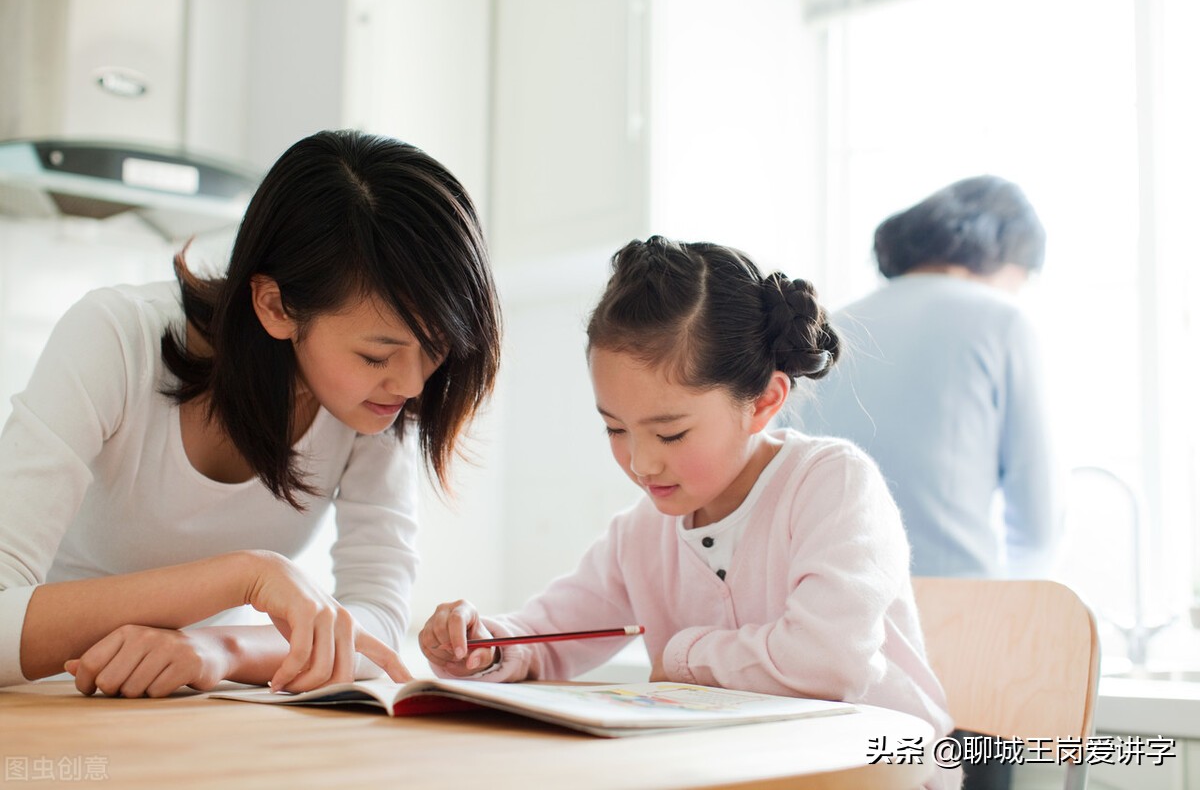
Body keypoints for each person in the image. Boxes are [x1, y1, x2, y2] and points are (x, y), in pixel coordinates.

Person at [420, 236, 959, 790]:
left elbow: (827, 663)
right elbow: (547, 635)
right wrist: (484, 646)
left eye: (671, 433)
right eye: (615, 429)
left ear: (764, 402)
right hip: (742, 773)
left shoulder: (832, 484)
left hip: (881, 773)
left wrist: (683, 657)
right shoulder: (642, 531)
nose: (641, 462)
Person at [0, 129, 502, 699]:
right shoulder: (116, 337)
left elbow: (377, 625)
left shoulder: (376, 401)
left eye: (435, 348)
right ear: (275, 306)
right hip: (44, 698)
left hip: (198, 701)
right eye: (375, 356)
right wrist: (244, 576)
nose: (412, 384)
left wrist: (221, 649)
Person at [782, 175, 1059, 580]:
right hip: (957, 600)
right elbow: (1037, 525)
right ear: (1010, 257)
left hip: (822, 591)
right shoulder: (1002, 321)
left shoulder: (831, 326)